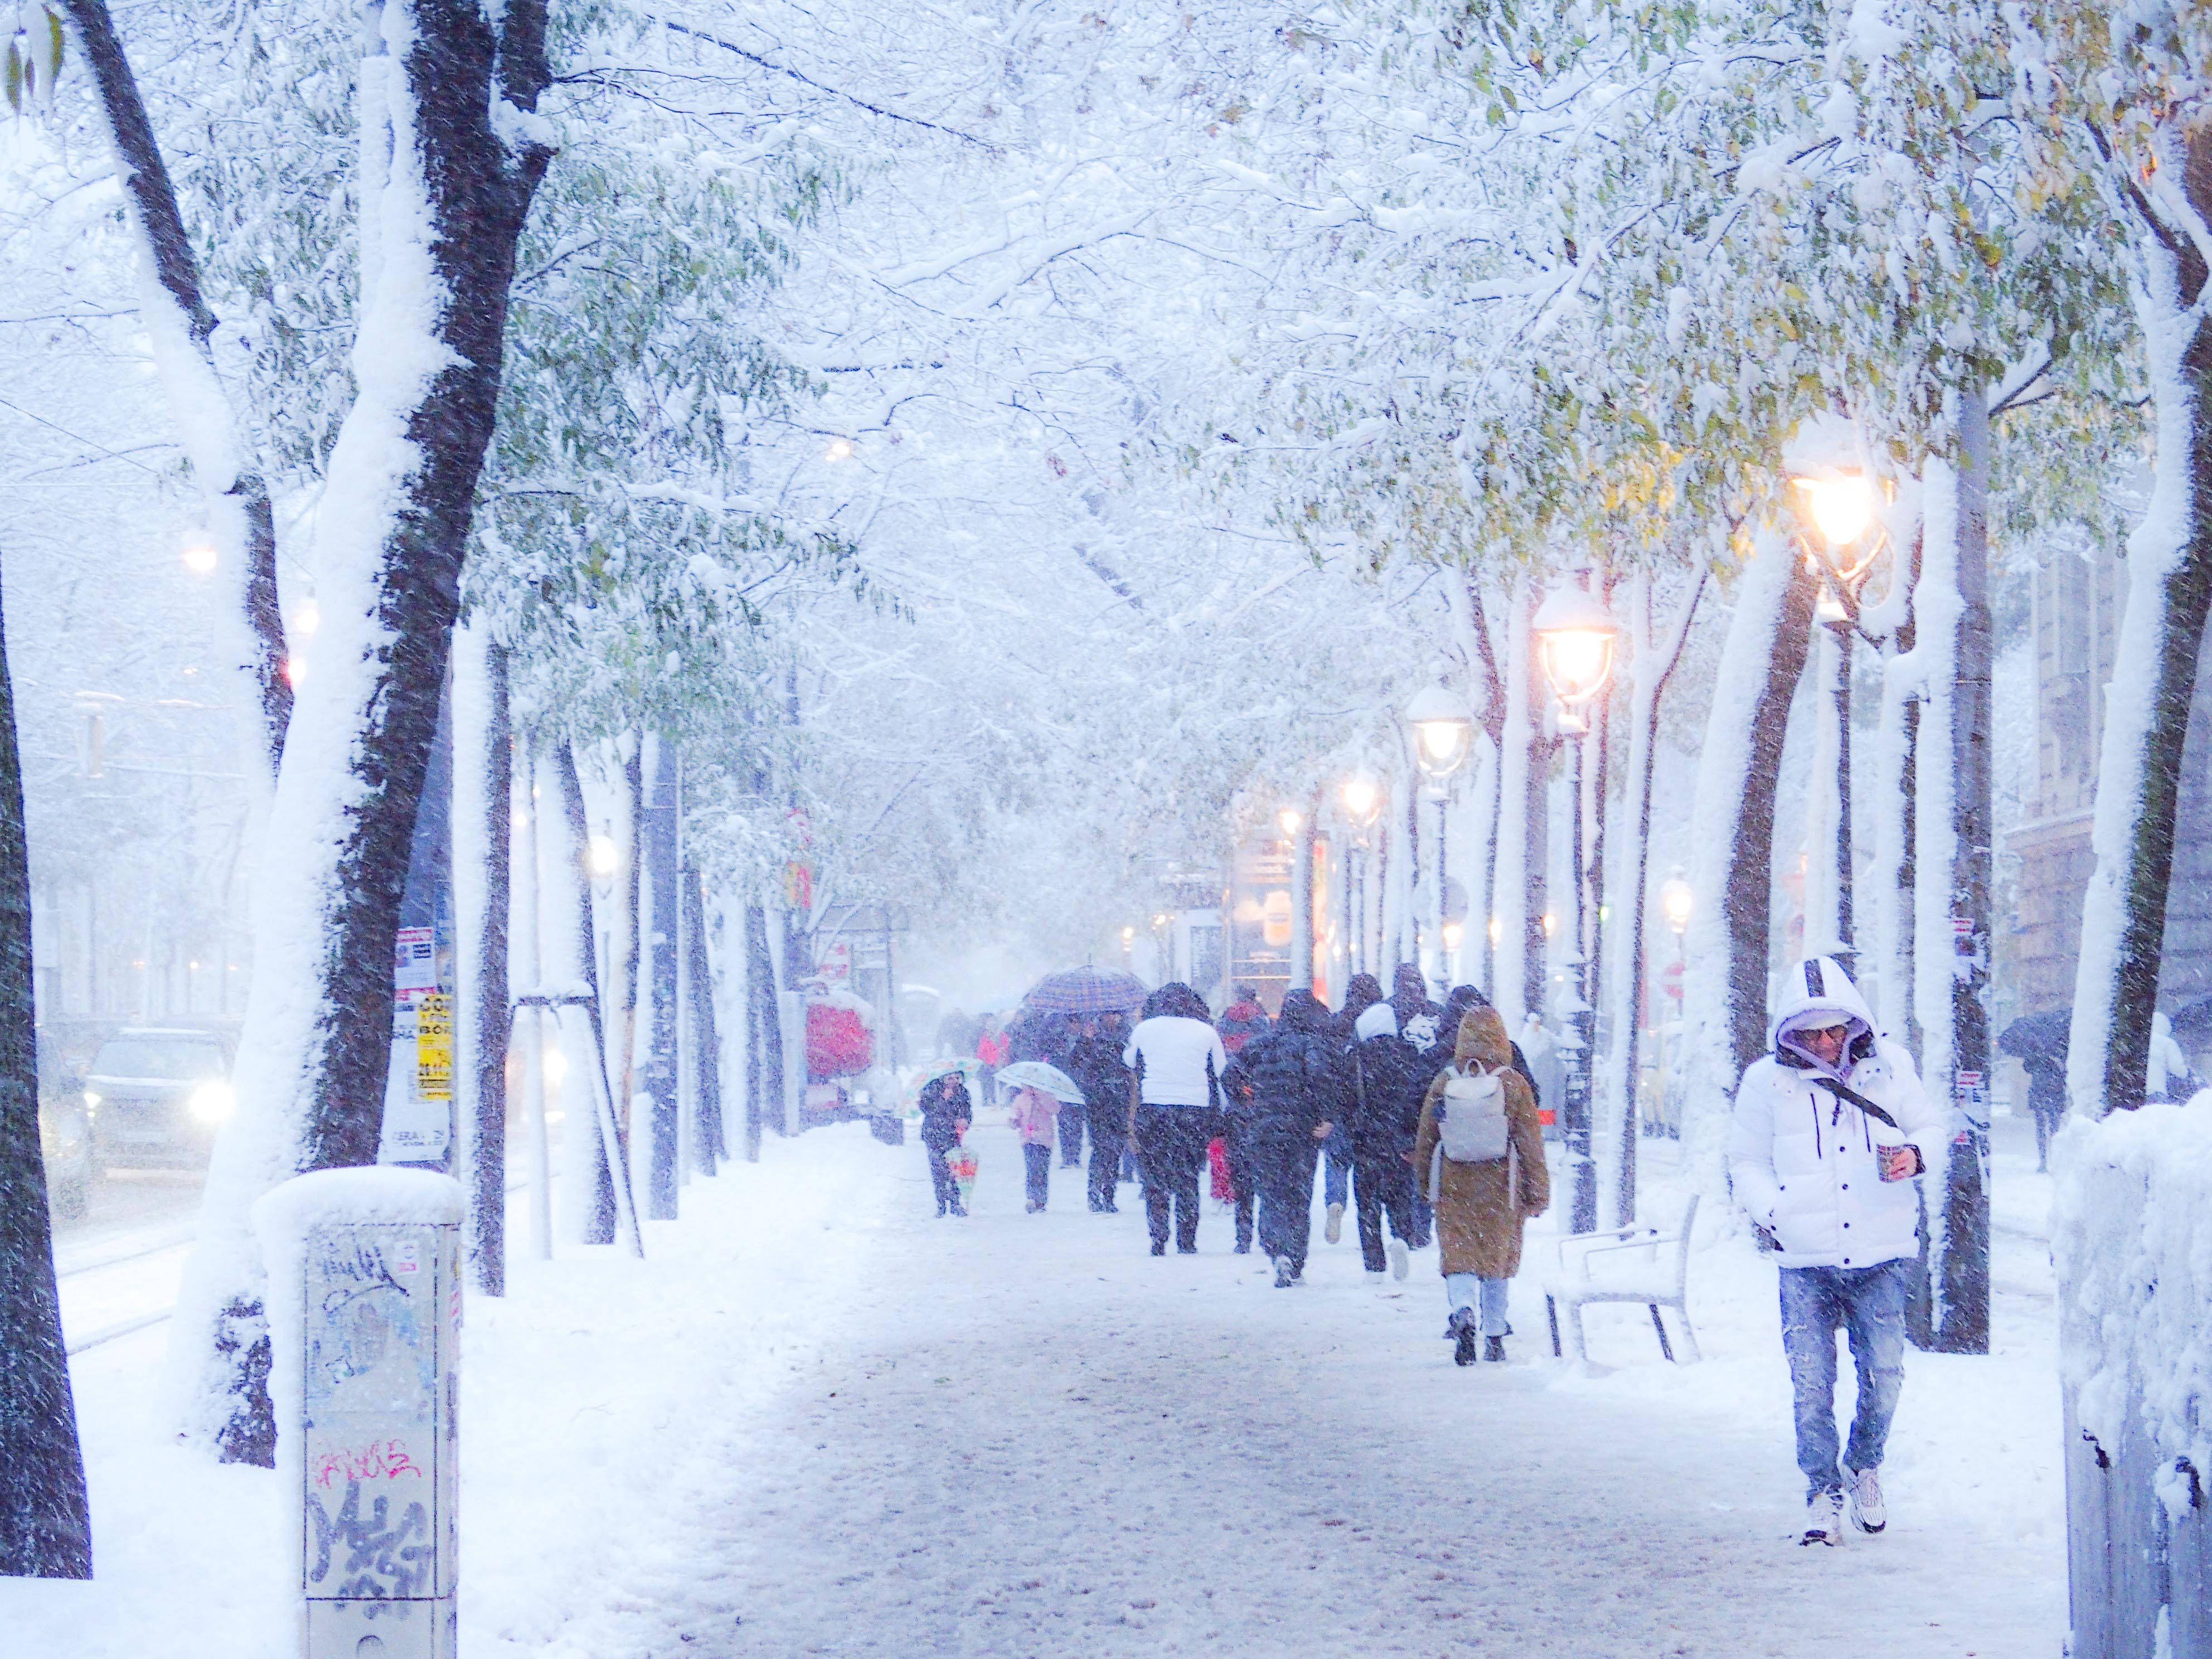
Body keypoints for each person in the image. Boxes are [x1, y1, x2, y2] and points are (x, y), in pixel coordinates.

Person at [1727, 954, 1944, 1547]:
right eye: (1808, 1031)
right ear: (1787, 1031)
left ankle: (1863, 1464)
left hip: (1880, 1252)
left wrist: (1914, 1157)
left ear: (1853, 1024)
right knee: (1810, 1385)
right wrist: (1772, 1211)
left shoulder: (1890, 1068)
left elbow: (1930, 1127)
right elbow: (1745, 1160)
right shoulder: (1763, 1082)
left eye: (1832, 1029)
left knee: (1884, 1375)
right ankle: (1820, 1491)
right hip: (1805, 1260)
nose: (1823, 1043)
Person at [1414, 1001, 1549, 1366]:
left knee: (1458, 1256)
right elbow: (1530, 1143)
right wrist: (1537, 1192)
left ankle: (1462, 1308)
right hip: (1501, 1184)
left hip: (1454, 1181)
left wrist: (1426, 1183)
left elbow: (1427, 1136)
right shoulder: (1513, 1083)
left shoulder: (1445, 1081)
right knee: (1496, 1260)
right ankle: (1494, 1336)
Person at [1225, 989, 1341, 1286]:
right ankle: (1296, 1256)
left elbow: (1230, 1076)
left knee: (1272, 1194)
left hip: (1264, 1129)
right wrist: (1326, 1116)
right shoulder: (1312, 1045)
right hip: (1302, 1132)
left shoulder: (1260, 1044)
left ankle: (1277, 1251)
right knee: (1298, 1196)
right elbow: (1321, 1080)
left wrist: (1247, 1102)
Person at [1123, 983, 1230, 1255]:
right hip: (1193, 1112)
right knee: (1188, 1177)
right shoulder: (1206, 1032)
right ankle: (1187, 1239)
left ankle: (1158, 1237)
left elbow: (1129, 1063)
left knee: (1154, 1178)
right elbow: (1221, 1073)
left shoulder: (1144, 1030)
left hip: (1154, 1107)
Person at [1342, 1001, 1430, 1280]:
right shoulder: (1409, 1054)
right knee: (1400, 1196)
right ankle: (1402, 1238)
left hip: (1366, 1140)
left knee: (1367, 1204)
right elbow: (1419, 1099)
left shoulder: (1356, 1057)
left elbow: (1346, 1101)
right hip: (1400, 1140)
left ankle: (1374, 1265)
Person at [1323, 973, 1385, 1241]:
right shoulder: (1379, 1023)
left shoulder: (1335, 1022)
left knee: (1336, 1161)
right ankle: (1380, 1215)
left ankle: (1335, 1202)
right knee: (1370, 1164)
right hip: (1371, 1105)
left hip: (1338, 1104)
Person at [1069, 1012, 1134, 1212]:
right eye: (1110, 1014)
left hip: (1119, 1102)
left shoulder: (1127, 1037)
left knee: (1114, 1152)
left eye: (1116, 1014)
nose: (1113, 1018)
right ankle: (1095, 1194)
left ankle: (1109, 1196)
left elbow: (1132, 1066)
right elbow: (1076, 1063)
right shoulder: (1091, 1037)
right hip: (1098, 1103)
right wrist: (1085, 1041)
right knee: (1100, 1150)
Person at [1997, 1008, 2068, 1172]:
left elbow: (2027, 1067)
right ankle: (2054, 1159)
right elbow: (2064, 1071)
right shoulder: (2058, 1049)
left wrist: (2038, 1058)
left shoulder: (2035, 1048)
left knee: (2041, 1126)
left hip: (2039, 1090)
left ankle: (2043, 1161)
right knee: (2054, 1126)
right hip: (2054, 1091)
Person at [917, 1070, 973, 1217]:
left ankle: (955, 1203)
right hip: (934, 1135)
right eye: (951, 1078)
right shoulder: (932, 1088)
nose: (954, 1081)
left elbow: (967, 1111)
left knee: (955, 1169)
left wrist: (965, 1122)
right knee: (938, 1170)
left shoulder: (963, 1092)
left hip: (953, 1136)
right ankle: (941, 1204)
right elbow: (928, 1110)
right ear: (943, 1077)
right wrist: (943, 1100)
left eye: (957, 1078)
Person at [1008, 1083, 1061, 1212]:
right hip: (1028, 1139)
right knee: (1032, 1168)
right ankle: (1031, 1197)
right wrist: (1014, 1121)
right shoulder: (1021, 1099)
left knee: (1042, 1169)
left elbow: (1055, 1109)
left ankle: (1041, 1200)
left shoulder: (1047, 1096)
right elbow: (1016, 1113)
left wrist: (1041, 1096)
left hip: (1044, 1139)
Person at [1390, 963, 1444, 1052]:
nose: (1414, 986)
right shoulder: (1388, 1012)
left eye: (1417, 980)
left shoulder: (1437, 1011)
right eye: (1409, 981)